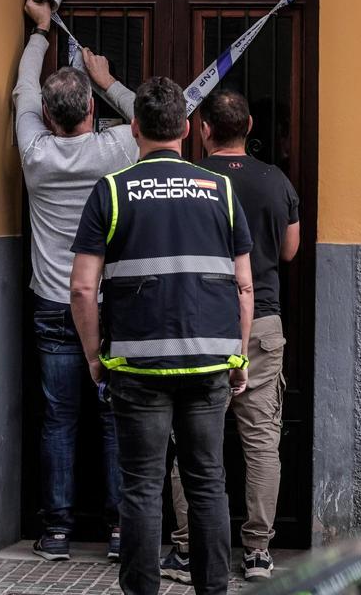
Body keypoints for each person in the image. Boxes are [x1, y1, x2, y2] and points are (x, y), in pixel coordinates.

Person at [69, 77, 255, 595]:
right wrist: (239, 357)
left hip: (136, 367)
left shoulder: (110, 190)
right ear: (189, 130)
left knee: (142, 489)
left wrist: (93, 357)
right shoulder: (221, 190)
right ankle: (212, 590)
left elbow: (83, 289)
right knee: (207, 484)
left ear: (134, 130)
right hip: (210, 363)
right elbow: (244, 285)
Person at [14, 0, 138, 561]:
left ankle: (58, 531)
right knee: (115, 417)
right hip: (108, 300)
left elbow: (21, 93)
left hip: (52, 303)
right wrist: (107, 79)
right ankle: (118, 531)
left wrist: (40, 32)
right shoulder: (114, 149)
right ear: (90, 109)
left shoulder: (35, 154)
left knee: (59, 419)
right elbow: (155, 120)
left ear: (46, 116)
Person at [163, 90, 299, 583]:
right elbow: (289, 250)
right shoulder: (275, 180)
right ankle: (258, 551)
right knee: (261, 439)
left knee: (196, 438)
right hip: (261, 322)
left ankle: (186, 547)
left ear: (203, 131)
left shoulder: (193, 181)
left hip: (202, 322)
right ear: (250, 126)